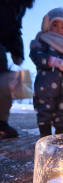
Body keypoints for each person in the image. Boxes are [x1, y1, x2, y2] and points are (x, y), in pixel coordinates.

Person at [29, 7, 63, 138]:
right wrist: (51, 61)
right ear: (47, 25)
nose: (58, 28)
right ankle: (45, 137)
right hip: (45, 87)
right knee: (44, 111)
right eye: (55, 24)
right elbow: (36, 56)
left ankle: (61, 135)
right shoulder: (43, 41)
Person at [0, 0, 35, 139]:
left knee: (4, 81)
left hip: (1, 45)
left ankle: (1, 122)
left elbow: (14, 27)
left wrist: (17, 51)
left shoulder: (19, 5)